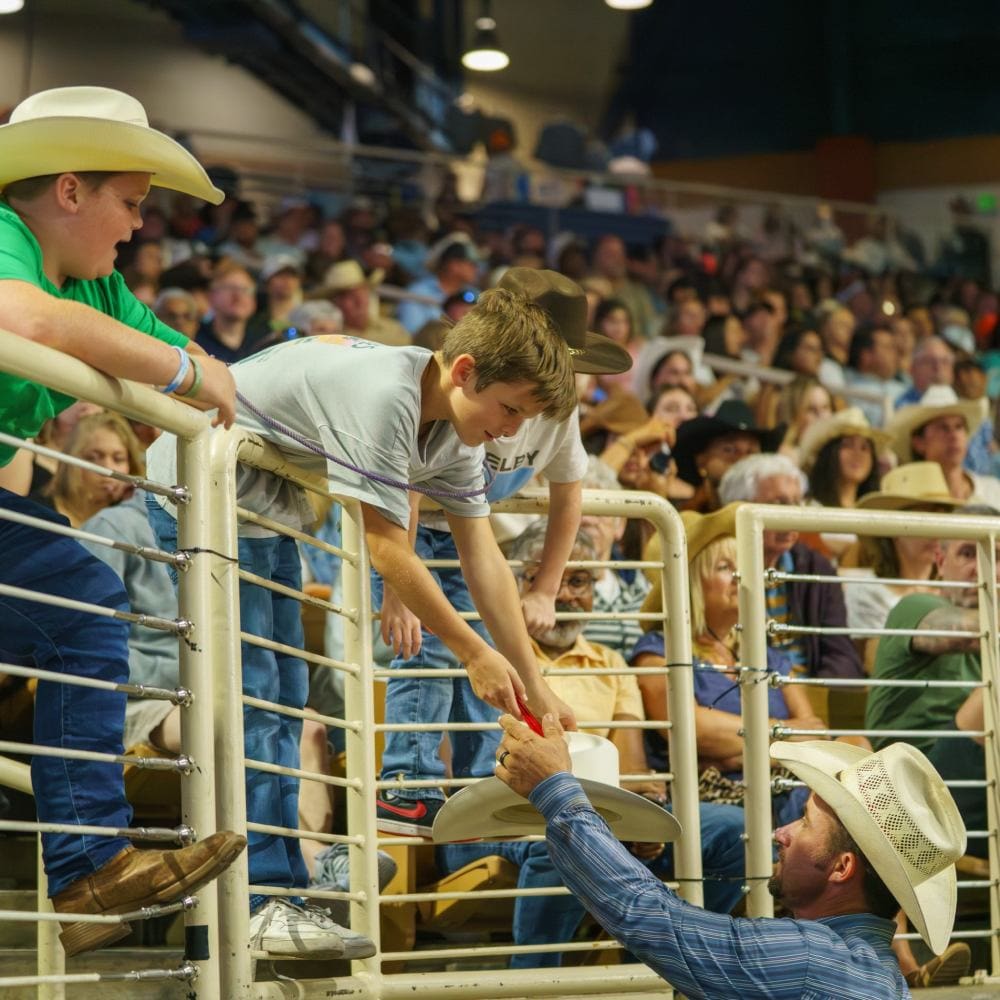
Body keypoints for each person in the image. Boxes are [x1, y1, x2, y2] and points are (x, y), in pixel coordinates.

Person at [146, 281, 581, 951]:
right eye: (511, 409)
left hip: (263, 514)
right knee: (255, 702)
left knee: (286, 703)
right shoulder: (388, 394)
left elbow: (484, 561)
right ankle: (258, 898)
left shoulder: (451, 429)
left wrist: (533, 678)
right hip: (198, 494)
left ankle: (281, 884)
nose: (514, 431)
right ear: (465, 371)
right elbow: (387, 548)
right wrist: (473, 653)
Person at [0, 84, 243, 957]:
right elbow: (17, 316)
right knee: (82, 600)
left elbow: (192, 364)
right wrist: (183, 373)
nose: (138, 228)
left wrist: (189, 373)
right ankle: (88, 873)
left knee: (84, 604)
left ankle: (89, 876)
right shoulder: (4, 238)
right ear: (71, 191)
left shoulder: (93, 285)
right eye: (131, 204)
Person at [375, 269, 631, 836]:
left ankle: (481, 785)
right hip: (416, 530)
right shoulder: (463, 399)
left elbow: (569, 496)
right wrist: (397, 590)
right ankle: (404, 785)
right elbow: (408, 491)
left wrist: (545, 586)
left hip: (479, 536)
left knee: (492, 661)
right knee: (426, 652)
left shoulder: (556, 415)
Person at [434, 523, 747, 967]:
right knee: (563, 840)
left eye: (578, 581)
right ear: (509, 585)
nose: (561, 594)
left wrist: (641, 818)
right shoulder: (483, 659)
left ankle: (672, 969)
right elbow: (463, 764)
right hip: (493, 821)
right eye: (542, 580)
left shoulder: (612, 663)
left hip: (595, 818)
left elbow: (631, 770)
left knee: (734, 830)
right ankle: (532, 988)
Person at [494, 715, 965, 999]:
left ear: (843, 869)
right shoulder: (881, 976)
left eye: (803, 823)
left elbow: (648, 916)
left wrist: (556, 788)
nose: (781, 832)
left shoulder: (811, 958)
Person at [633, 504, 824, 826]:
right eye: (724, 566)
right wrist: (780, 740)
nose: (740, 576)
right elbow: (693, 731)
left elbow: (814, 733)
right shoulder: (656, 651)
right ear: (691, 582)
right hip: (712, 800)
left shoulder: (766, 654)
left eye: (742, 565)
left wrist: (739, 753)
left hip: (781, 789)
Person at [718, 453, 864, 679]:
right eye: (779, 503)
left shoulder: (816, 567)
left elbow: (841, 654)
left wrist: (817, 697)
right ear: (738, 511)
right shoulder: (718, 570)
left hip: (812, 695)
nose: (793, 514)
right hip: (748, 694)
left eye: (798, 502)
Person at [887, 385, 1000, 507]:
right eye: (943, 427)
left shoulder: (993, 491)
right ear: (919, 443)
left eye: (959, 427)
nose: (954, 435)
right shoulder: (905, 498)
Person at [671, 400, 784, 514]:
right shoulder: (679, 517)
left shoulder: (774, 514)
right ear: (701, 461)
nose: (742, 460)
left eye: (751, 452)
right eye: (730, 450)